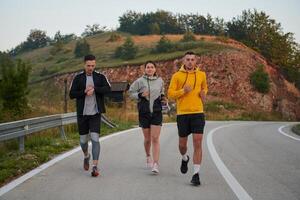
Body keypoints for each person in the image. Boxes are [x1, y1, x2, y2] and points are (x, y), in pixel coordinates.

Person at [168, 51, 208, 186]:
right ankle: (184, 158)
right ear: (183, 61)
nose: (190, 61)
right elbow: (170, 94)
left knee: (197, 142)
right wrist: (183, 91)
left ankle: (196, 174)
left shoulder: (202, 75)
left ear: (196, 61)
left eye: (192, 59)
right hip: (183, 114)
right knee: (182, 145)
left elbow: (205, 88)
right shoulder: (176, 76)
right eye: (188, 59)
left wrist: (204, 94)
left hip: (198, 112)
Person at [69, 54, 111, 177]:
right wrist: (84, 92)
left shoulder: (100, 77)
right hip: (82, 114)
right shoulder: (77, 78)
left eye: (93, 65)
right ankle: (86, 156)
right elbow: (71, 94)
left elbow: (108, 89)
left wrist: (95, 89)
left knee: (95, 139)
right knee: (83, 141)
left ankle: (95, 166)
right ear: (84, 65)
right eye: (88, 66)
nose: (90, 68)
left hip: (95, 113)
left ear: (95, 64)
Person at [129, 61, 167, 174]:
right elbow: (131, 93)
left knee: (155, 138)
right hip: (144, 112)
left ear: (155, 69)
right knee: (147, 139)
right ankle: (148, 156)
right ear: (144, 69)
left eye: (152, 67)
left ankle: (156, 164)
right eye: (148, 67)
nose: (150, 69)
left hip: (156, 112)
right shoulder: (139, 81)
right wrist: (140, 95)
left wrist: (164, 98)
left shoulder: (160, 81)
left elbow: (162, 92)